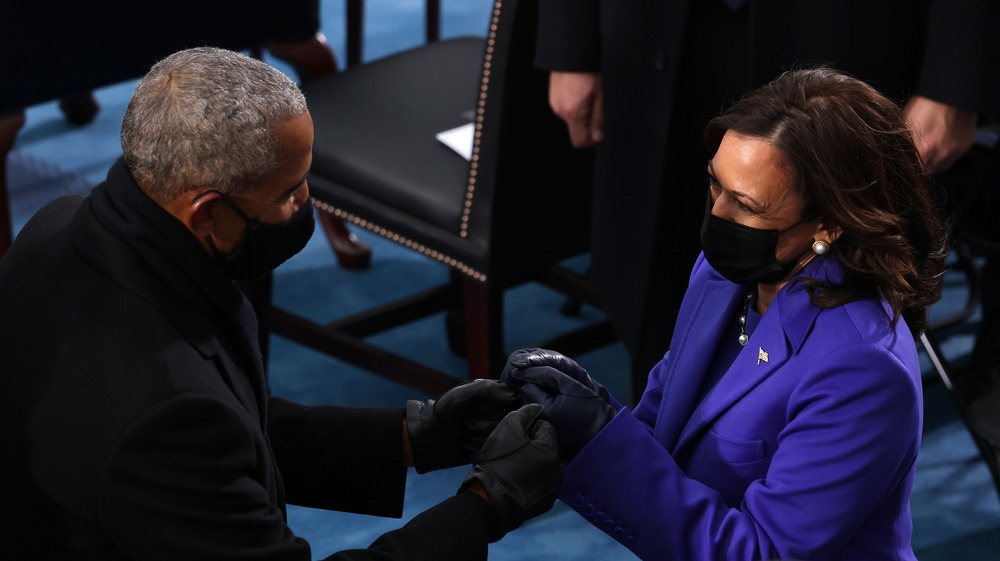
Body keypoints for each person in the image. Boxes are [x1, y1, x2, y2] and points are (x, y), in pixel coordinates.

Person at [0, 47, 563, 560]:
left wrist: (417, 436)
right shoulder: (163, 408)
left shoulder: (62, 227)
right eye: (287, 194)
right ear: (206, 212)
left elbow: (226, 432)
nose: (305, 206)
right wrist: (486, 506)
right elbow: (192, 428)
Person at [501, 67, 947, 560]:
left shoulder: (861, 368)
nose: (717, 218)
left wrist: (596, 436)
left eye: (746, 204)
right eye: (716, 185)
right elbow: (665, 430)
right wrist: (585, 416)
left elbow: (763, 553)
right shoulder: (723, 276)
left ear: (830, 223)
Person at [536, 0, 1000, 401]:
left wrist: (954, 79)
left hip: (847, 39)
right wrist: (571, 34)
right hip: (653, 40)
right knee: (666, 295)